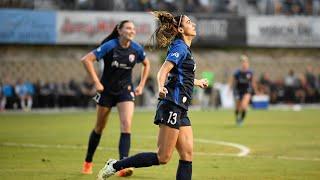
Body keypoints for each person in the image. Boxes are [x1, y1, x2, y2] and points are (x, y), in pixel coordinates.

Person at [96, 11, 208, 180]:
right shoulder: (179, 47)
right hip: (171, 104)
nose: (193, 24)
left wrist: (197, 82)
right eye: (189, 22)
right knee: (163, 157)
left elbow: (181, 76)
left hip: (181, 107)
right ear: (180, 29)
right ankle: (115, 165)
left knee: (187, 154)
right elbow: (163, 71)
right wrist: (161, 87)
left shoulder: (185, 49)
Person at [80, 20, 150, 176]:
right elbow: (86, 59)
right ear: (120, 30)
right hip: (106, 91)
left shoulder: (136, 48)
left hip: (125, 91)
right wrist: (96, 82)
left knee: (126, 125)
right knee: (100, 127)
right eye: (128, 28)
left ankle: (123, 165)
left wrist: (141, 85)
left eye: (134, 28)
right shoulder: (110, 45)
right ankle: (88, 161)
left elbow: (147, 63)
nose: (132, 31)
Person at [229, 55, 256, 126]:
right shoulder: (237, 72)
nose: (244, 64)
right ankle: (237, 117)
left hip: (247, 90)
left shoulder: (250, 72)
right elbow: (233, 82)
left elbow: (253, 82)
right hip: (238, 90)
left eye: (246, 62)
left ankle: (241, 119)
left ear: (248, 63)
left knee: (244, 106)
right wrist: (229, 89)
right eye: (243, 62)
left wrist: (256, 91)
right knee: (238, 107)